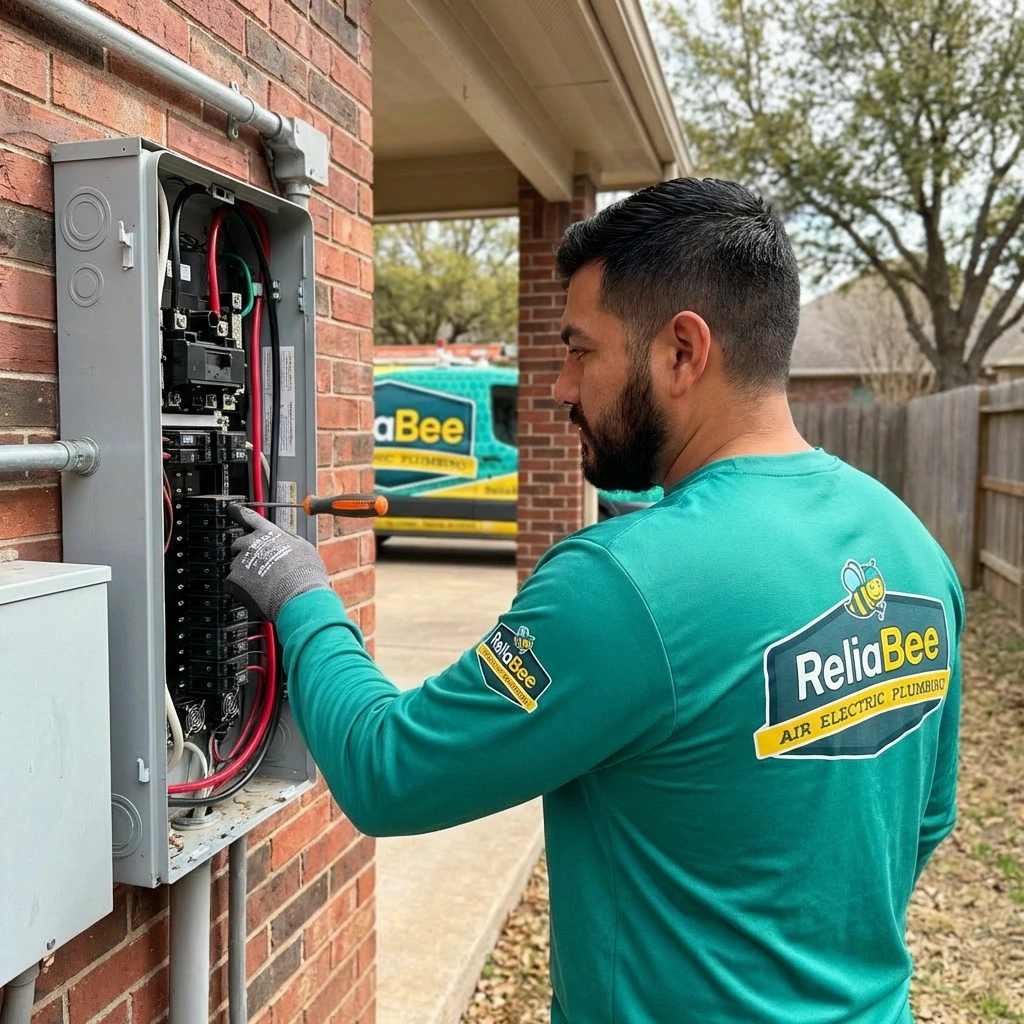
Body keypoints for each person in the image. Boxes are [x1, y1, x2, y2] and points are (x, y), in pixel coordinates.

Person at [227, 178, 963, 1024]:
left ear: (681, 352)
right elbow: (922, 822)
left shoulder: (620, 584)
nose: (558, 388)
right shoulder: (912, 547)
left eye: (580, 349)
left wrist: (301, 592)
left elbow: (388, 770)